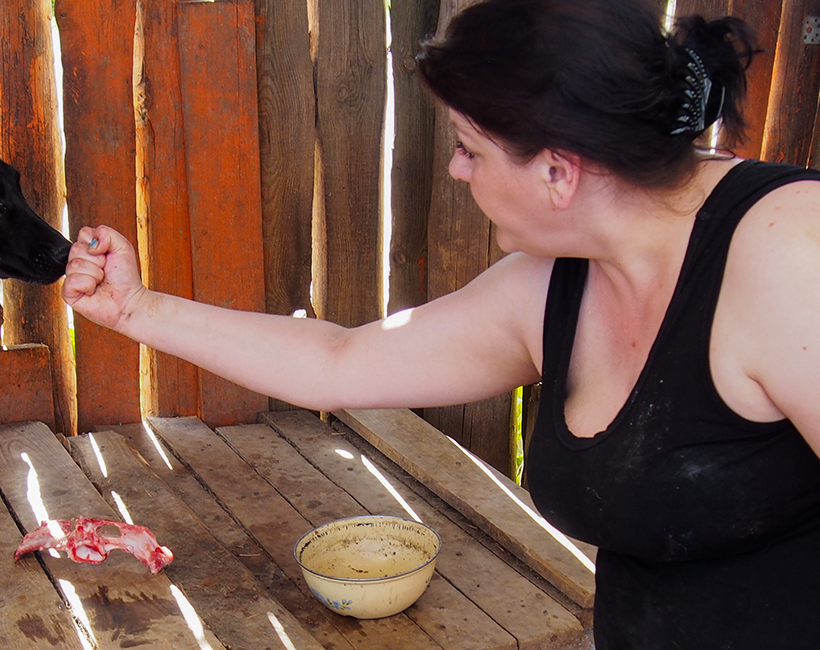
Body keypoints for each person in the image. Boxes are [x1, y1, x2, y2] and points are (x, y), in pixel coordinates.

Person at [61, 0, 820, 646]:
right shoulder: (557, 283)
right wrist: (136, 309)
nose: (456, 171)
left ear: (559, 170)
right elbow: (340, 361)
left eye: (469, 148)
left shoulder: (790, 258)